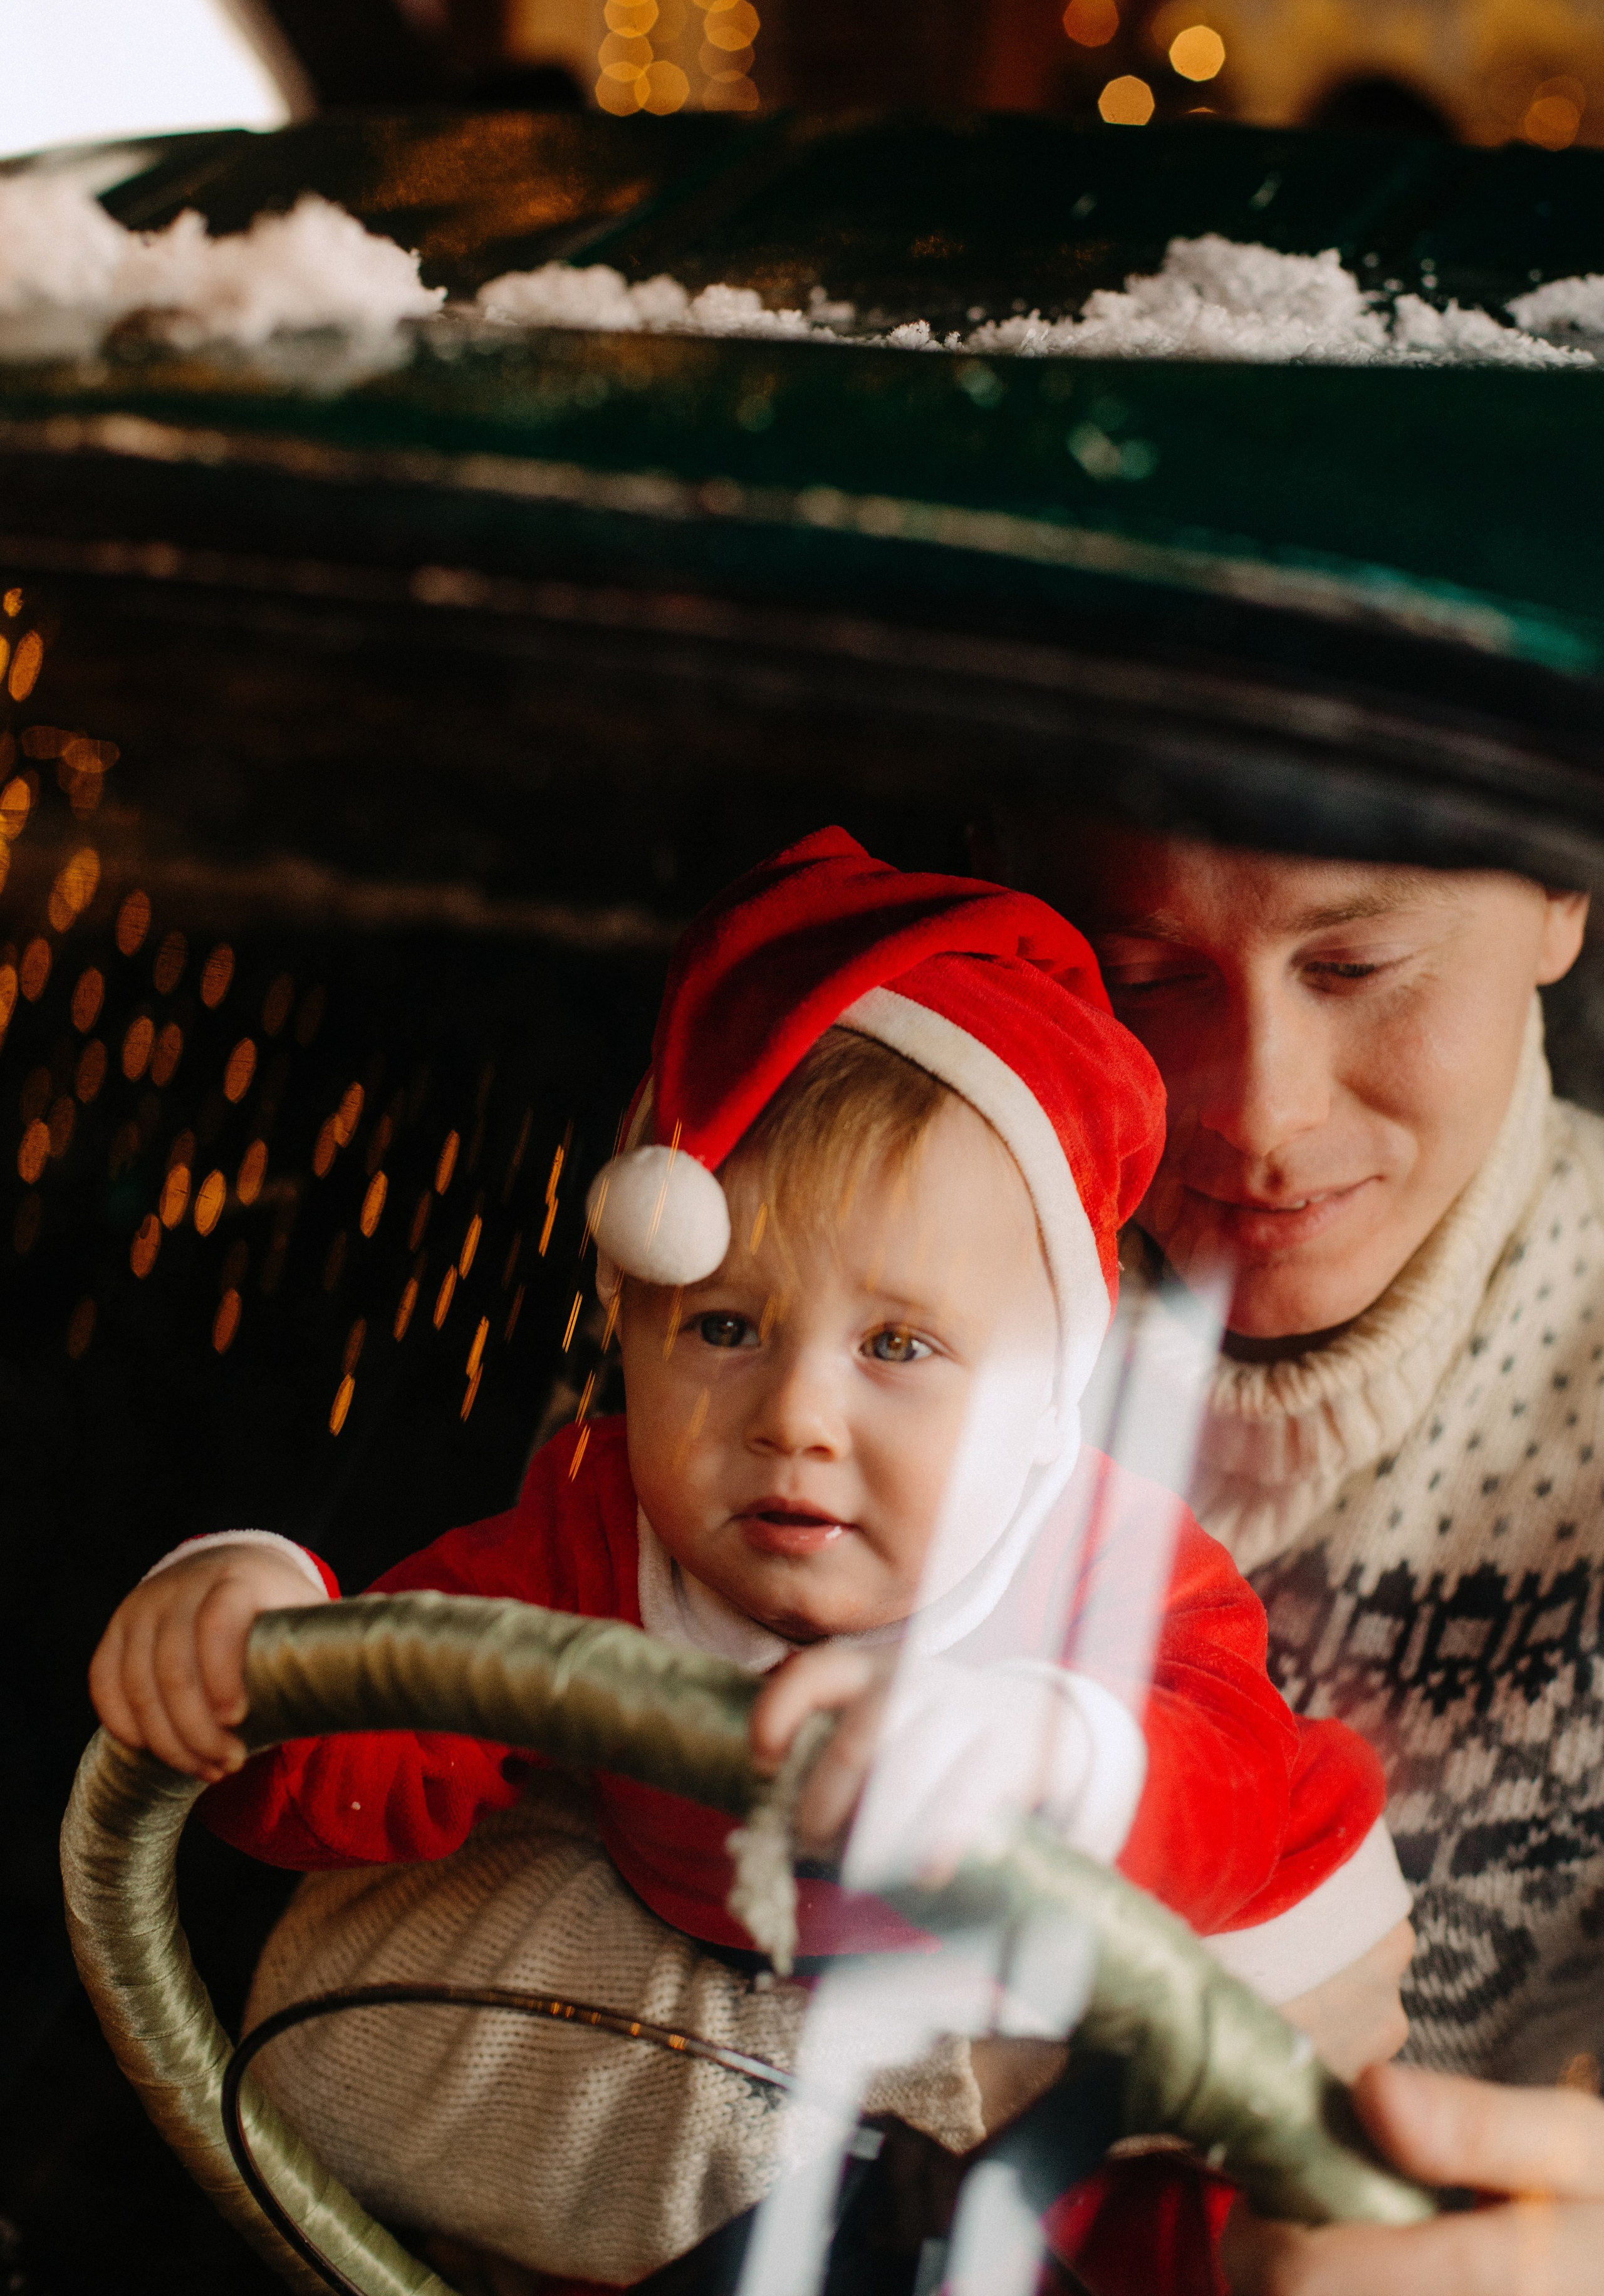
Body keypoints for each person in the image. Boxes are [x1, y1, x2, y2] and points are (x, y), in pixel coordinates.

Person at [90, 828, 1409, 2291]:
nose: (793, 1419)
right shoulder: (593, 1523)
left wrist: (1046, 1744)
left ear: (1045, 1395)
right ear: (632, 1334)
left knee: (1182, 2214)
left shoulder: (1103, 1553)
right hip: (777, 1980)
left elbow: (1228, 1792)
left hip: (1220, 1943)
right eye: (721, 1327)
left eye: (898, 1348)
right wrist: (249, 1650)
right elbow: (375, 1765)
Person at [994, 808, 1604, 2291]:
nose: (1258, 1112)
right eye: (1143, 975)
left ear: (1559, 902)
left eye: (1355, 964)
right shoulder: (837, 1281)